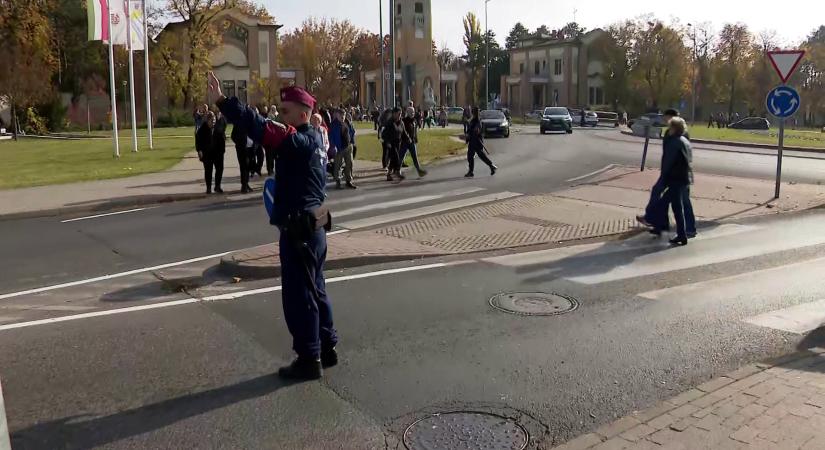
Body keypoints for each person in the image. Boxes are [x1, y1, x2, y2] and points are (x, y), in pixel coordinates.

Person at [209, 72, 337, 381]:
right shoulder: (316, 139)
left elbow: (260, 126)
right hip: (315, 228)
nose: (281, 116)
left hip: (300, 232)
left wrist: (223, 102)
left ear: (304, 113)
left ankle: (309, 358)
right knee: (316, 289)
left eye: (286, 111)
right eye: (281, 112)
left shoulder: (300, 140)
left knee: (299, 296)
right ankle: (327, 346)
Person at [637, 109, 696, 238]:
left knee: (679, 201)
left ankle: (659, 222)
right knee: (670, 199)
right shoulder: (671, 132)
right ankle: (661, 224)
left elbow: (674, 156)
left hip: (675, 174)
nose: (664, 119)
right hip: (677, 174)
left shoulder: (679, 134)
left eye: (666, 117)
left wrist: (666, 174)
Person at [658, 117, 694, 246]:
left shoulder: (674, 142)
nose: (669, 129)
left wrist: (663, 179)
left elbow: (668, 162)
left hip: (675, 179)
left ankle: (667, 231)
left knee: (668, 205)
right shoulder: (685, 140)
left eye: (670, 127)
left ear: (674, 128)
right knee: (677, 206)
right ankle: (682, 234)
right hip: (684, 178)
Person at [195, 111, 226, 194]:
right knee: (208, 171)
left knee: (219, 169)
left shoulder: (218, 128)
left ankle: (217, 186)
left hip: (218, 153)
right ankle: (208, 188)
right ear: (207, 120)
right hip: (207, 153)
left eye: (214, 120)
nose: (213, 122)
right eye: (212, 120)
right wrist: (199, 151)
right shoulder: (201, 130)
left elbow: (223, 140)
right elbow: (198, 142)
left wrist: (222, 151)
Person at [465, 107, 497, 178]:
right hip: (472, 141)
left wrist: (471, 133)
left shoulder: (477, 121)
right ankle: (490, 166)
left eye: (472, 111)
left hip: (476, 141)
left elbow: (477, 130)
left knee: (480, 156)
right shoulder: (473, 120)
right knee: (471, 156)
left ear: (474, 113)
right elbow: (469, 130)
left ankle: (491, 166)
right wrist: (467, 136)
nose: (471, 113)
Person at [330, 109, 357, 189]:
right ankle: (337, 181)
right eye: (341, 116)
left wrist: (352, 141)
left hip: (348, 146)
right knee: (337, 165)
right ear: (337, 115)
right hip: (339, 147)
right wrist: (334, 145)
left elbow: (352, 132)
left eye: (344, 115)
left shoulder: (348, 123)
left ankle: (349, 180)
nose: (343, 117)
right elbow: (330, 136)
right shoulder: (333, 125)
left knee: (350, 163)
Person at [401, 107, 428, 178]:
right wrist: (406, 138)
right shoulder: (404, 121)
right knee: (401, 156)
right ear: (407, 112)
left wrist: (416, 140)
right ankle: (397, 171)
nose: (412, 113)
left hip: (412, 142)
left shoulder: (414, 121)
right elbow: (403, 132)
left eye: (413, 112)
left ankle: (419, 171)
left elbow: (414, 132)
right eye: (410, 112)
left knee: (415, 157)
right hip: (405, 142)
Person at [382, 107, 406, 181]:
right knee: (396, 158)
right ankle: (397, 172)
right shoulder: (389, 123)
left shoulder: (401, 122)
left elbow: (404, 132)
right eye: (398, 114)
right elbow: (384, 134)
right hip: (391, 144)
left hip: (398, 143)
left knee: (392, 160)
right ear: (394, 114)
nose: (399, 115)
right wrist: (387, 142)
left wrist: (408, 139)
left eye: (401, 114)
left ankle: (389, 174)